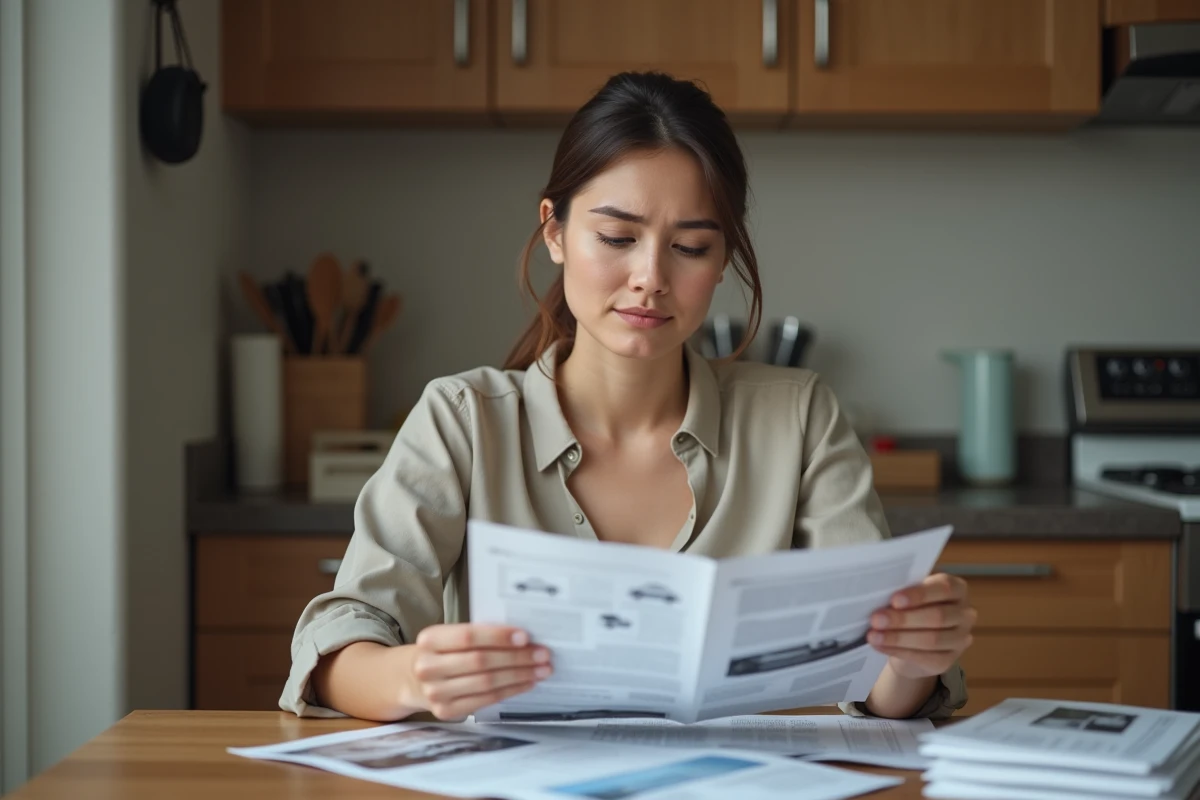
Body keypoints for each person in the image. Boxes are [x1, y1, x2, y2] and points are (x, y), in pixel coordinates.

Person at [280, 71, 974, 723]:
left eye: (692, 248)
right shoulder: (462, 421)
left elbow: (880, 682)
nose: (650, 278)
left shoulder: (798, 418)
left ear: (724, 256)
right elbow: (341, 645)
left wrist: (913, 658)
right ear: (554, 230)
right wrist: (412, 676)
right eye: (617, 237)